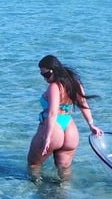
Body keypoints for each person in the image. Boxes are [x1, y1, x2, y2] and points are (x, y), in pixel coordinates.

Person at [27, 54, 103, 182]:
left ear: (54, 71)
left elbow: (52, 113)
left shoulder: (54, 87)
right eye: (42, 75)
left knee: (33, 164)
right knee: (64, 169)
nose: (45, 79)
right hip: (69, 127)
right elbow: (83, 105)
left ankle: (39, 195)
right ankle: (64, 195)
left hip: (54, 127)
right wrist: (91, 125)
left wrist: (47, 137)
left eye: (46, 75)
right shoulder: (75, 83)